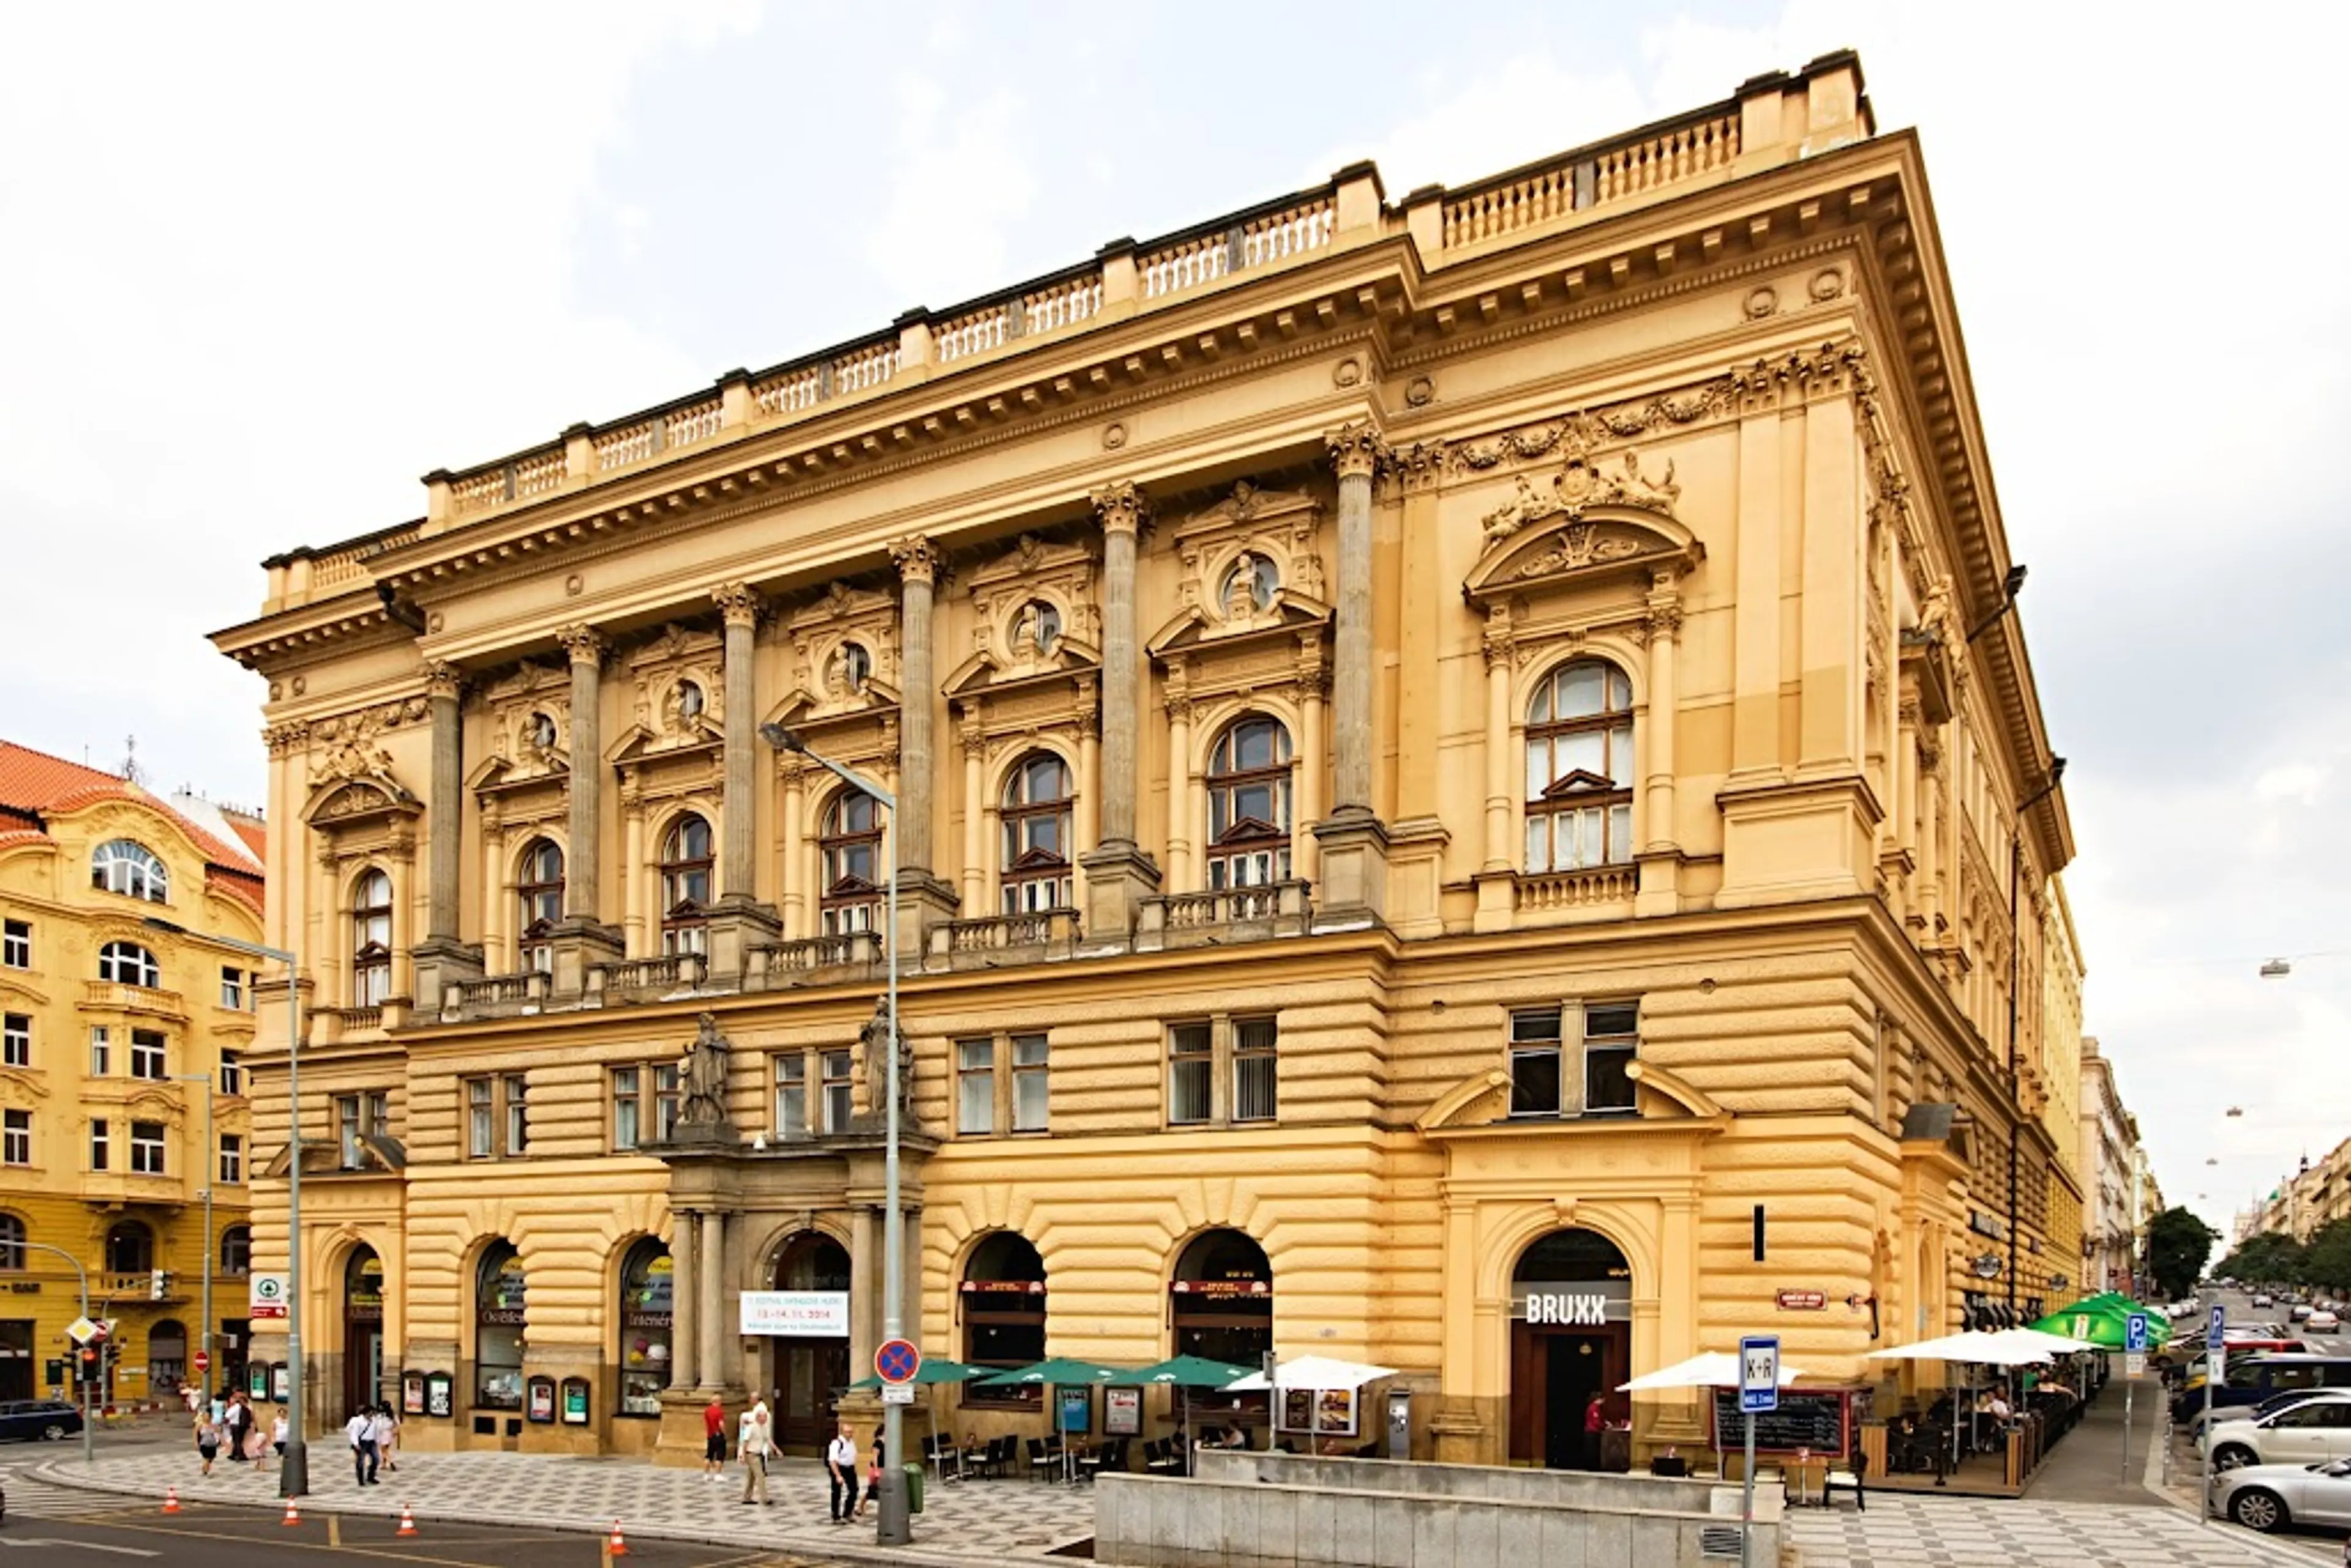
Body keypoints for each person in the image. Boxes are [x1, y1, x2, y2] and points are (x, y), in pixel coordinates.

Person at [738, 1400, 772, 1506]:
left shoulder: (764, 1428)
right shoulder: (751, 1427)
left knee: (752, 1478)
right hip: (751, 1455)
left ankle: (746, 1497)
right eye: (764, 1417)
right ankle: (765, 1498)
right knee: (760, 1476)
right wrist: (743, 1456)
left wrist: (776, 1450)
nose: (766, 1419)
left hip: (758, 1454)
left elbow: (768, 1439)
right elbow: (745, 1442)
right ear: (758, 1417)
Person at [825, 1419, 859, 1523]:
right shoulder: (837, 1443)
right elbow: (832, 1461)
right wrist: (838, 1476)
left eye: (851, 1432)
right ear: (842, 1432)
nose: (850, 1434)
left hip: (850, 1468)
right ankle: (836, 1516)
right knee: (837, 1492)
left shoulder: (851, 1442)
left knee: (854, 1490)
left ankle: (848, 1513)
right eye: (848, 1432)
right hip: (839, 1468)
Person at [347, 1404, 380, 1487]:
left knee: (376, 1459)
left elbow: (376, 1431)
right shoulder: (358, 1421)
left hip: (371, 1442)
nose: (372, 1415)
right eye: (370, 1413)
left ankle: (371, 1476)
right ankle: (361, 1479)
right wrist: (356, 1443)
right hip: (362, 1442)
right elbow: (354, 1432)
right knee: (361, 1461)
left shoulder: (374, 1420)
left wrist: (377, 1440)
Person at [857, 1428, 883, 1520]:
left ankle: (884, 1510)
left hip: (884, 1468)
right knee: (873, 1490)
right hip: (877, 1468)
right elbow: (875, 1457)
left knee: (884, 1490)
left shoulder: (888, 1443)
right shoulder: (878, 1443)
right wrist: (876, 1470)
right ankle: (860, 1506)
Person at [702, 1392, 727, 1480]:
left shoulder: (707, 1411)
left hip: (710, 1435)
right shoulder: (719, 1411)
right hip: (718, 1435)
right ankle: (718, 1474)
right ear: (718, 1401)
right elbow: (721, 1424)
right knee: (720, 1455)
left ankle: (706, 1474)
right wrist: (724, 1433)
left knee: (709, 1455)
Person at [370, 1404, 400, 1473]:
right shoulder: (385, 1415)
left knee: (383, 1449)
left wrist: (395, 1430)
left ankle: (390, 1462)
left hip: (385, 1433)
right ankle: (384, 1464)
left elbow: (397, 1424)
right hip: (385, 1433)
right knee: (385, 1449)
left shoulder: (387, 1416)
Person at [195, 1406, 222, 1476]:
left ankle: (206, 1467)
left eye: (208, 1416)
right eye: (205, 1416)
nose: (207, 1418)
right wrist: (196, 1443)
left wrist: (220, 1440)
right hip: (204, 1444)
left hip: (212, 1444)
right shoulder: (200, 1425)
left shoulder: (213, 1425)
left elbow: (219, 1433)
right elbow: (195, 1434)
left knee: (211, 1457)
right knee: (206, 1458)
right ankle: (205, 1471)